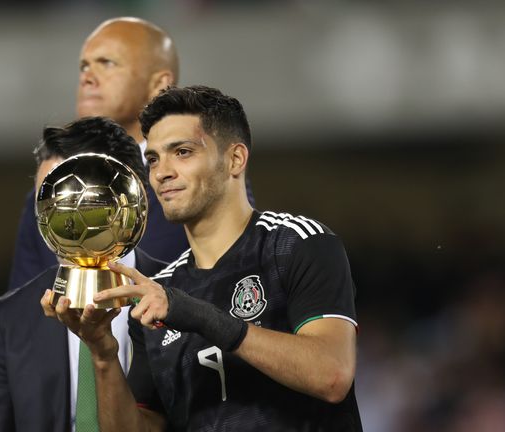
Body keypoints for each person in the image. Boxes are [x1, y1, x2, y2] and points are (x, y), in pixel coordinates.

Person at [43, 86, 362, 431]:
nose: (162, 172)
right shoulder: (158, 295)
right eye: (153, 159)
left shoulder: (295, 244)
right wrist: (103, 354)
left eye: (182, 152)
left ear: (235, 159)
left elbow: (332, 375)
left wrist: (197, 315)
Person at [0, 117, 168, 431]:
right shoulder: (10, 317)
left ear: (132, 194)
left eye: (75, 202)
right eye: (46, 205)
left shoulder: (180, 293)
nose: (59, 221)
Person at [8, 17, 188, 289]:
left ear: (159, 85)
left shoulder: (199, 177)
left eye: (107, 63)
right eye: (84, 66)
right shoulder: (50, 191)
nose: (87, 77)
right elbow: (24, 309)